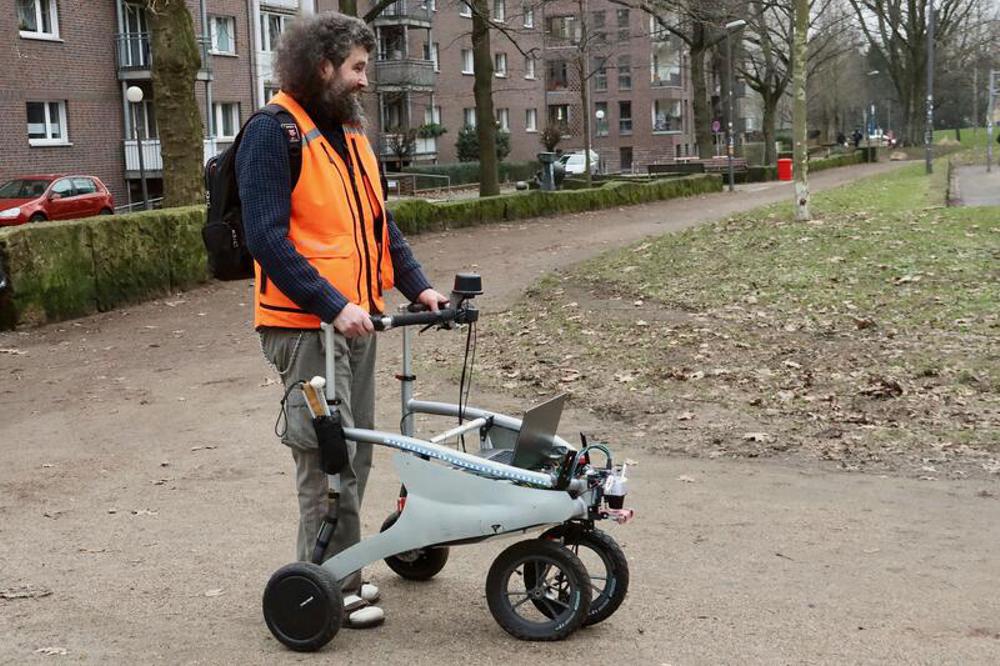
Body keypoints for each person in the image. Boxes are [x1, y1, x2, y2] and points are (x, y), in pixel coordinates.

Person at [236, 12, 447, 628]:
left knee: (355, 457)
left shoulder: (351, 138)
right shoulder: (274, 134)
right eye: (357, 67)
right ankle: (323, 586)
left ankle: (344, 571)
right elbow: (266, 240)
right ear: (323, 66)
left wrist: (420, 288)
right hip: (306, 330)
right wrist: (332, 304)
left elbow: (381, 228)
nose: (364, 81)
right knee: (324, 460)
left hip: (359, 323)